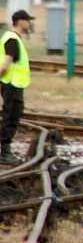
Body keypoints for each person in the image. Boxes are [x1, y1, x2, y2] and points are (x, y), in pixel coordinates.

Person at [0, 10, 34, 165]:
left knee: (13, 114)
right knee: (11, 115)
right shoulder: (13, 39)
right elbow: (6, 64)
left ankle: (5, 150)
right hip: (12, 84)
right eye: (27, 20)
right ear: (20, 21)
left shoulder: (13, 38)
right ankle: (5, 152)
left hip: (14, 84)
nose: (29, 23)